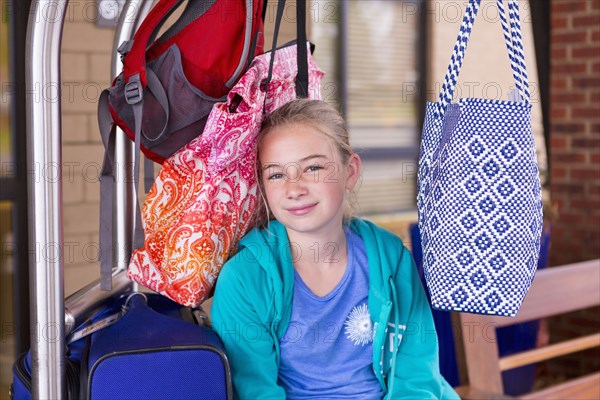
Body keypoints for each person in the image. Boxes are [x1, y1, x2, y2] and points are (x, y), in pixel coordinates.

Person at [211, 99, 459, 399]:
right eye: (276, 174)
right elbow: (255, 390)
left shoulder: (391, 258)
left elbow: (416, 373)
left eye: (313, 167)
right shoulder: (244, 279)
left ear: (350, 171)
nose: (294, 188)